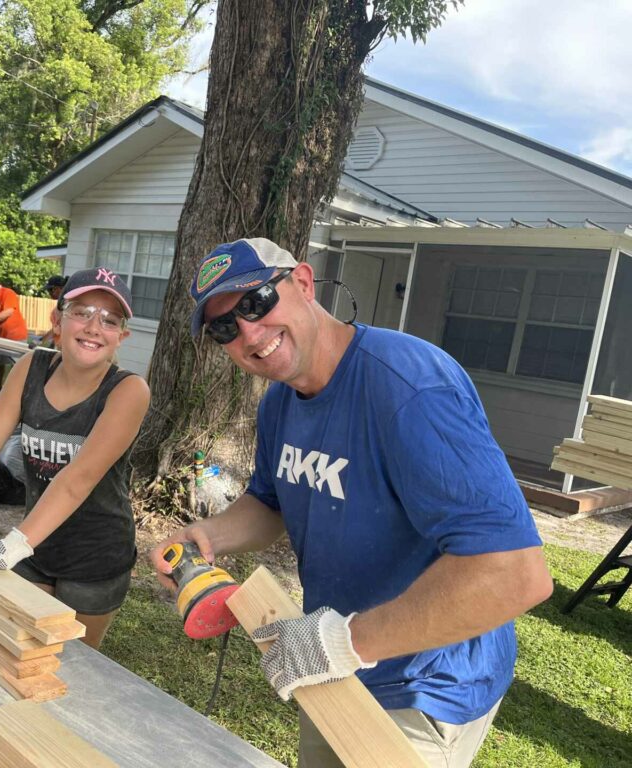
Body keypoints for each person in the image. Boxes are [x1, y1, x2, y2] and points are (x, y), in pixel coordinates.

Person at [149, 238, 554, 768]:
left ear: (302, 282)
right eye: (225, 327)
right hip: (337, 658)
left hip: (426, 683)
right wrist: (209, 537)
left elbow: (515, 574)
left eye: (255, 302)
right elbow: (270, 503)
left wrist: (343, 642)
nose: (249, 332)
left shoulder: (410, 389)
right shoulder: (280, 401)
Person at [0, 267, 150, 649]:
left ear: (121, 337)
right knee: (14, 645)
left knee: (73, 661)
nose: (94, 327)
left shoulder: (128, 391)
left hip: (96, 556)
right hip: (37, 543)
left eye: (109, 320)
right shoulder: (31, 368)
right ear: (57, 320)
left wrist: (10, 547)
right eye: (82, 312)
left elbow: (78, 479)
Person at [39, 275, 67, 348]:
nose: (49, 293)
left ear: (59, 288)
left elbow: (57, 330)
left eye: (50, 290)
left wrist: (41, 343)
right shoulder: (61, 305)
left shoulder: (66, 306)